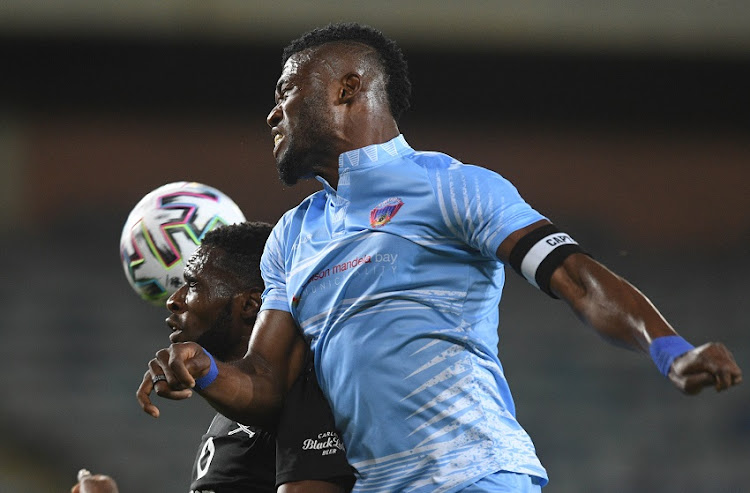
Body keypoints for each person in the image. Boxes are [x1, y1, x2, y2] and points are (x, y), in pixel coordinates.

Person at [137, 23, 742, 492]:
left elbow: (578, 279)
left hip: (473, 472)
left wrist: (671, 352)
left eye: (286, 92)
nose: (272, 113)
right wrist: (207, 370)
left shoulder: (450, 186)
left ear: (347, 87)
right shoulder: (294, 234)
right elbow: (267, 381)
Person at [77, 222, 354, 493]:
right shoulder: (231, 411)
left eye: (193, 284)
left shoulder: (308, 391)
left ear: (249, 305)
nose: (174, 300)